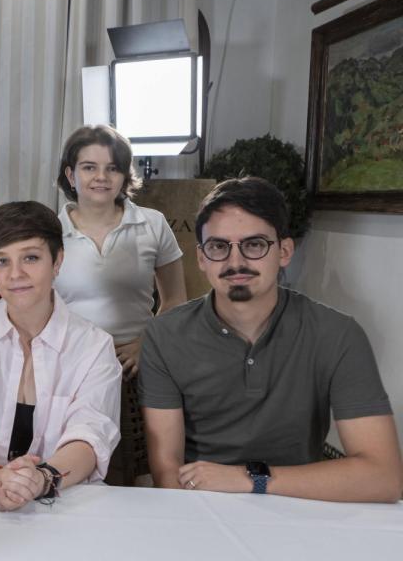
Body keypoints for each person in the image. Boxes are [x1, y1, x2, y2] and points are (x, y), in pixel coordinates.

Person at [139, 176, 403, 503]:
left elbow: (384, 477)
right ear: (202, 258)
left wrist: (252, 479)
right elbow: (167, 473)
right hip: (202, 503)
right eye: (219, 247)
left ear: (284, 251)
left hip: (301, 503)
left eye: (254, 245)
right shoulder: (165, 335)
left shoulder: (337, 334)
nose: (235, 262)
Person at [0, 201, 121, 511]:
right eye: (2, 261)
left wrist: (41, 480)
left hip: (59, 500)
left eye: (31, 257)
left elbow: (90, 436)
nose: (15, 274)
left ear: (57, 261)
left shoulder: (94, 346)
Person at [54, 125, 187, 485]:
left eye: (112, 168)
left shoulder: (153, 224)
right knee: (78, 471)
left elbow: (176, 299)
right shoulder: (50, 230)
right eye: (89, 167)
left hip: (137, 366)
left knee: (141, 472)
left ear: (124, 175)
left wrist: (147, 343)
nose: (101, 177)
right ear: (70, 174)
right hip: (71, 367)